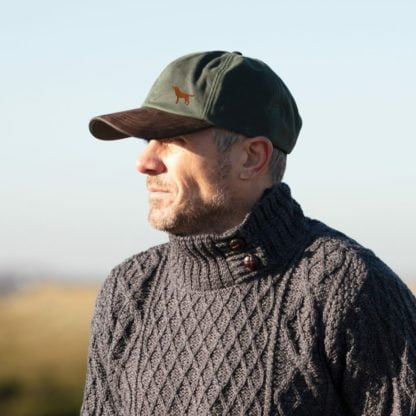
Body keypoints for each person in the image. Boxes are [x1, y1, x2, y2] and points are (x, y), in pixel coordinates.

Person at [81, 51, 416, 416]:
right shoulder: (129, 289)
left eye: (173, 140)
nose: (144, 162)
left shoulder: (345, 287)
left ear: (252, 157)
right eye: (147, 141)